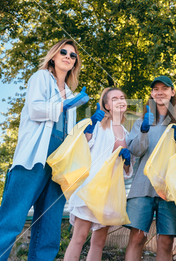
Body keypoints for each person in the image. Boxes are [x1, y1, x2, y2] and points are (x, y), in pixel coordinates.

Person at [0, 39, 102, 261]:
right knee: (11, 220)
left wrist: (90, 125)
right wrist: (62, 106)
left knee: (49, 230)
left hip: (58, 167)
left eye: (72, 55)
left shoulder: (72, 95)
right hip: (33, 160)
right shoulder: (41, 78)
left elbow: (70, 138)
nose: (67, 56)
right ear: (53, 56)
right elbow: (35, 110)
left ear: (75, 63)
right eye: (63, 52)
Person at [124, 75, 176, 261]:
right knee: (137, 238)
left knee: (165, 242)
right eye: (156, 89)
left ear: (172, 92)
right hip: (142, 188)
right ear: (152, 94)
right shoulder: (140, 122)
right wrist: (144, 131)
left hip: (170, 190)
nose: (160, 92)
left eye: (164, 88)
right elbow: (136, 151)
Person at [63, 87, 132, 261]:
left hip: (110, 193)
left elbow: (126, 173)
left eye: (122, 97)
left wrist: (128, 163)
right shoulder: (98, 125)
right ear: (107, 105)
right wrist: (90, 126)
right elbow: (81, 147)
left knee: (99, 242)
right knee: (79, 238)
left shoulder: (127, 133)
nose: (120, 100)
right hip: (90, 188)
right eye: (114, 98)